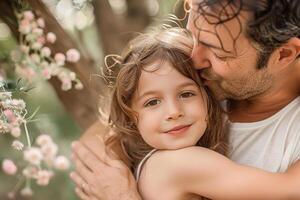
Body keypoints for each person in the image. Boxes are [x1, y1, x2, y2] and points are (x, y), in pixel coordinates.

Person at [71, 0, 300, 199]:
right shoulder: (197, 81)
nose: (194, 59)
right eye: (193, 36)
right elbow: (102, 138)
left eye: (218, 52)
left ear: (285, 54)